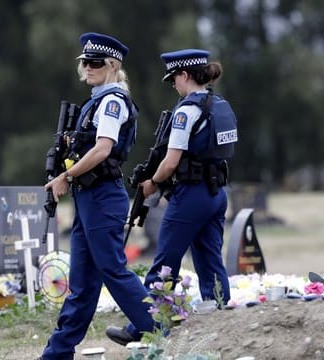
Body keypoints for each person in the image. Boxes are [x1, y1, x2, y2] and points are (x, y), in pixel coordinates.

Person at [106, 49, 238, 346]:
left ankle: (145, 326)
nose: (174, 86)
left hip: (191, 195)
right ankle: (221, 318)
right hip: (218, 193)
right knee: (209, 258)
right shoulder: (220, 105)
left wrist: (152, 183)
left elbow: (171, 161)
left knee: (165, 262)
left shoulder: (186, 111)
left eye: (173, 80)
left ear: (185, 75)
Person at [39, 32, 155, 359]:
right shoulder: (97, 99)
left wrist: (65, 176)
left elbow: (103, 149)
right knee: (83, 283)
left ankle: (158, 327)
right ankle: (57, 353)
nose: (87, 68)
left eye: (95, 63)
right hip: (88, 198)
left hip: (103, 196)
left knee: (112, 270)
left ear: (112, 65)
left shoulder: (113, 101)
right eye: (84, 62)